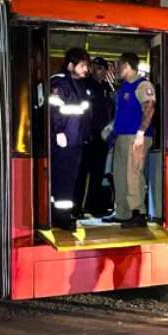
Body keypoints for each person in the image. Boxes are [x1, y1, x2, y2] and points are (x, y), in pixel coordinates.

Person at [107, 52, 155, 229]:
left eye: (119, 65)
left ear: (127, 66)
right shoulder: (124, 87)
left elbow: (150, 108)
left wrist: (141, 132)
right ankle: (123, 212)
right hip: (121, 136)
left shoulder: (142, 84)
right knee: (119, 174)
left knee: (132, 174)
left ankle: (138, 213)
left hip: (135, 137)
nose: (117, 69)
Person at [49, 47, 93, 231]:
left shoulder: (79, 85)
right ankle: (61, 216)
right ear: (70, 65)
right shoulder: (60, 84)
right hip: (65, 139)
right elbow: (54, 109)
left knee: (70, 178)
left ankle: (63, 212)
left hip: (75, 138)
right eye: (82, 65)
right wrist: (59, 131)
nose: (86, 69)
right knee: (64, 178)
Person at [76, 56, 116, 218]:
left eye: (99, 68)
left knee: (98, 174)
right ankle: (77, 207)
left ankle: (95, 207)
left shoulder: (108, 89)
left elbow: (112, 111)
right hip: (87, 135)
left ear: (105, 71)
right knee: (81, 173)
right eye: (93, 67)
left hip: (103, 137)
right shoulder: (85, 85)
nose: (95, 70)